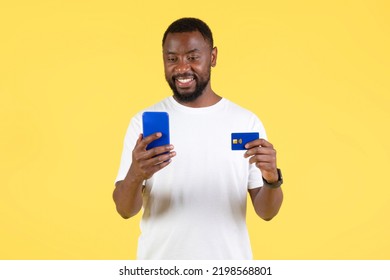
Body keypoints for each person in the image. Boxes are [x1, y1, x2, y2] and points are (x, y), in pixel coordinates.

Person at [113, 17, 284, 260]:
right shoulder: (143, 123)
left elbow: (267, 212)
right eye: (172, 59)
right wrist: (135, 174)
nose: (182, 68)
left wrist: (271, 178)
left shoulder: (245, 121)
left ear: (212, 57)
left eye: (193, 57)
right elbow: (124, 210)